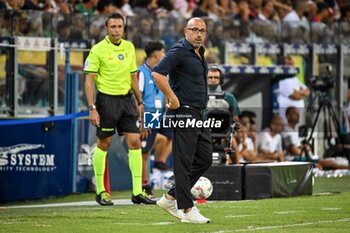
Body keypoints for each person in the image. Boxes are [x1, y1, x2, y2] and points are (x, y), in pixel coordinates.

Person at [83, 13, 155, 206]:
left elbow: (133, 77)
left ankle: (138, 192)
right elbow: (89, 81)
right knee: (104, 144)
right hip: (106, 102)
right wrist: (92, 108)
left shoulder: (129, 47)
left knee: (135, 143)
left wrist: (140, 102)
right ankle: (101, 191)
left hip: (128, 101)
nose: (116, 30)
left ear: (124, 28)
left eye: (119, 26)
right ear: (106, 28)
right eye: (113, 26)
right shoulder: (97, 50)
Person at [152, 17, 212, 224]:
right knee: (183, 162)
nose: (199, 34)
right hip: (184, 112)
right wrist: (172, 97)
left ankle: (171, 197)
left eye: (202, 31)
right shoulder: (179, 51)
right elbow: (158, 74)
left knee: (205, 159)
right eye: (195, 30)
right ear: (186, 31)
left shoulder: (199, 53)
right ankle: (186, 209)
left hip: (198, 113)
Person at [137, 40, 172, 197]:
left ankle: (159, 161)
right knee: (144, 153)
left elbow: (163, 92)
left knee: (171, 136)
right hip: (148, 114)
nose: (164, 55)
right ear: (156, 54)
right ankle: (144, 185)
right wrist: (143, 121)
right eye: (163, 52)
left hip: (160, 113)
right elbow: (138, 98)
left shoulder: (162, 72)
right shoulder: (141, 73)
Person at [277, 55, 310, 123]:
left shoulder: (294, 78)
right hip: (288, 118)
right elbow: (295, 96)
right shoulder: (281, 80)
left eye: (291, 64)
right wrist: (301, 93)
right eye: (288, 64)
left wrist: (299, 92)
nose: (291, 66)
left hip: (298, 115)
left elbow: (308, 91)